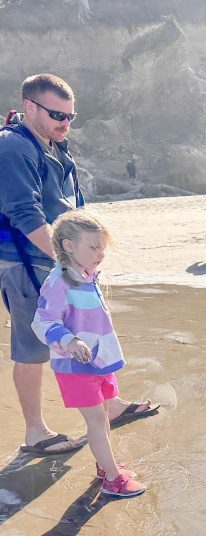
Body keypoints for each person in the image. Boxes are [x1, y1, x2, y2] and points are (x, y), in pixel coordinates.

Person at [0, 73, 157, 457]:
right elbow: (24, 212)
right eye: (57, 114)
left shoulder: (55, 146)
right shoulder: (12, 148)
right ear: (30, 108)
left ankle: (111, 404)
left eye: (70, 116)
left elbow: (72, 206)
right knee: (33, 345)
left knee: (91, 327)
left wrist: (85, 255)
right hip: (27, 263)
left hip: (61, 261)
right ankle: (36, 431)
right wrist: (66, 262)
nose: (65, 123)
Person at [32, 211, 146, 497]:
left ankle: (105, 466)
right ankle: (111, 479)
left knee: (103, 417)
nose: (101, 253)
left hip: (98, 362)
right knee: (95, 421)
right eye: (93, 247)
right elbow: (42, 321)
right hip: (76, 366)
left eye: (102, 247)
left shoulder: (85, 274)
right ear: (69, 246)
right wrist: (69, 341)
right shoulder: (57, 282)